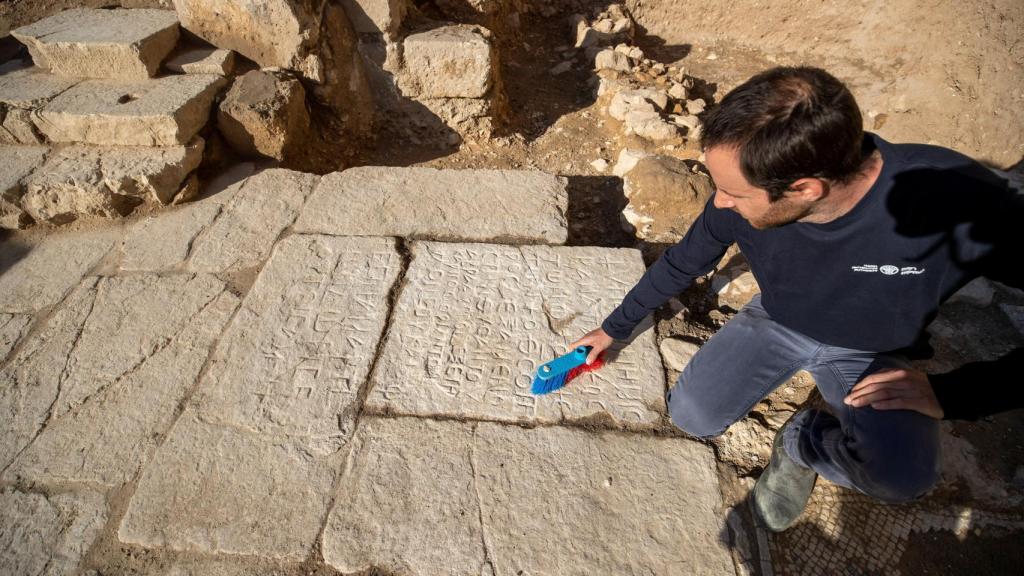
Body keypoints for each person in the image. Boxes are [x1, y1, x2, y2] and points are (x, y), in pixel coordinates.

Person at [571, 66, 1024, 532]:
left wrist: (954, 394)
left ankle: (803, 442)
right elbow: (684, 261)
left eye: (732, 192)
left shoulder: (958, 203)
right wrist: (613, 328)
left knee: (900, 476)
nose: (720, 202)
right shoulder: (745, 190)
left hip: (871, 352)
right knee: (692, 416)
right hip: (777, 318)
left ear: (806, 189)